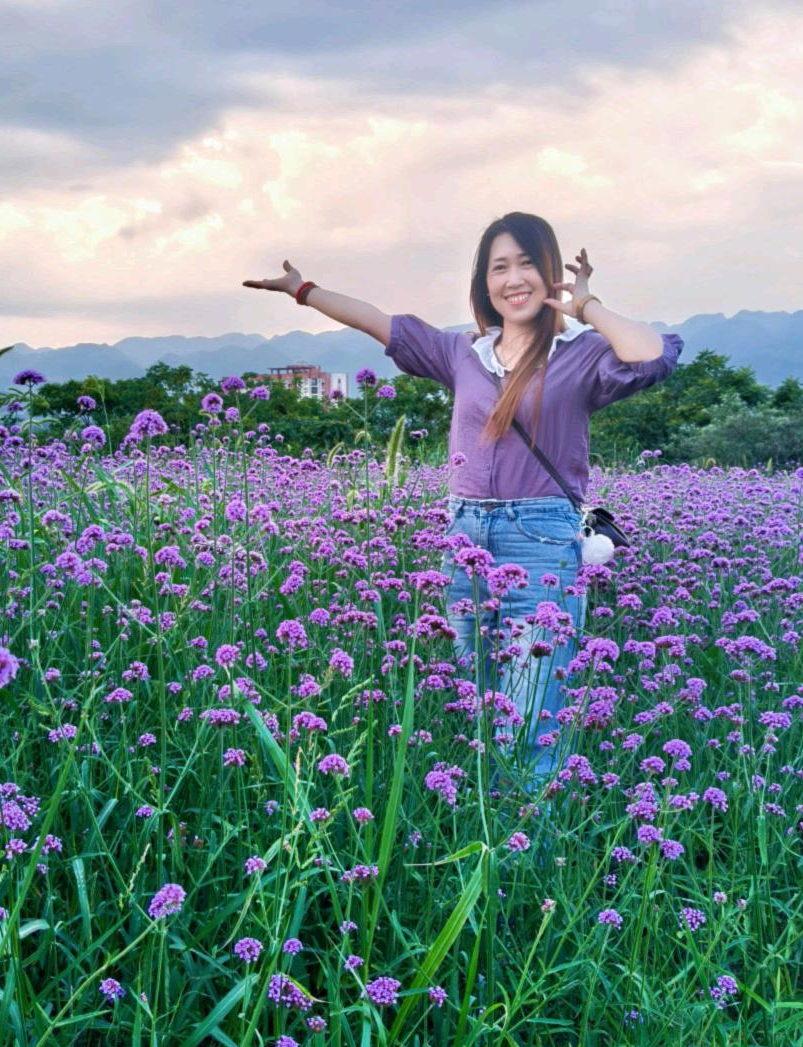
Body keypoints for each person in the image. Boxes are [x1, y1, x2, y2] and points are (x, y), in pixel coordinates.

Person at [242, 211, 683, 796]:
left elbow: (651, 356)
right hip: (466, 538)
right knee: (478, 713)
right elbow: (380, 323)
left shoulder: (582, 355)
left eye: (528, 263)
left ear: (550, 274)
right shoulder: (463, 353)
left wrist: (586, 305)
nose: (514, 278)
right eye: (500, 267)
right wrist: (303, 290)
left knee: (527, 724)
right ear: (484, 283)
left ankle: (526, 873)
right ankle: (489, 861)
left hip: (544, 544)